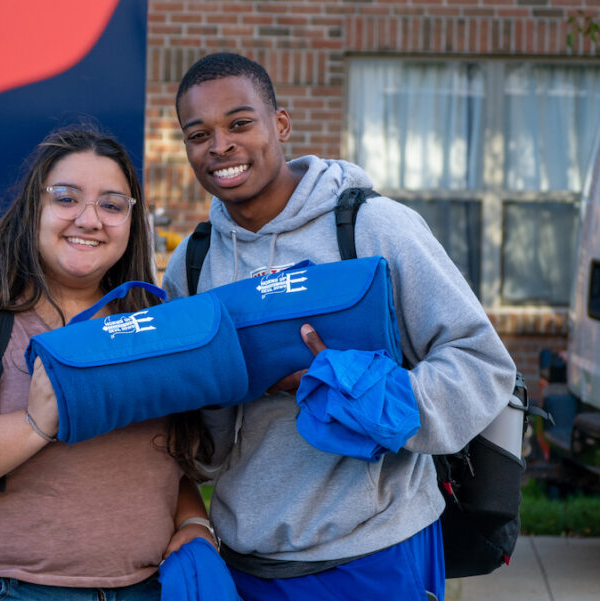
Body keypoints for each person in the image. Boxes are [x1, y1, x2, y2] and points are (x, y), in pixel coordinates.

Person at [160, 53, 518, 601]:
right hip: (246, 559)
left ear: (280, 125)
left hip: (377, 551)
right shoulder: (193, 262)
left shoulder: (374, 227)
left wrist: (342, 383)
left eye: (239, 123)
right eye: (198, 133)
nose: (220, 146)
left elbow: (482, 364)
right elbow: (204, 451)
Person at [0, 125, 214, 601]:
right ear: (34, 206)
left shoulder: (152, 324)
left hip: (135, 588)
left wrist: (193, 521)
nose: (90, 219)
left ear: (133, 222)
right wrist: (35, 424)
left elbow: (167, 459)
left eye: (112, 205)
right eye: (67, 198)